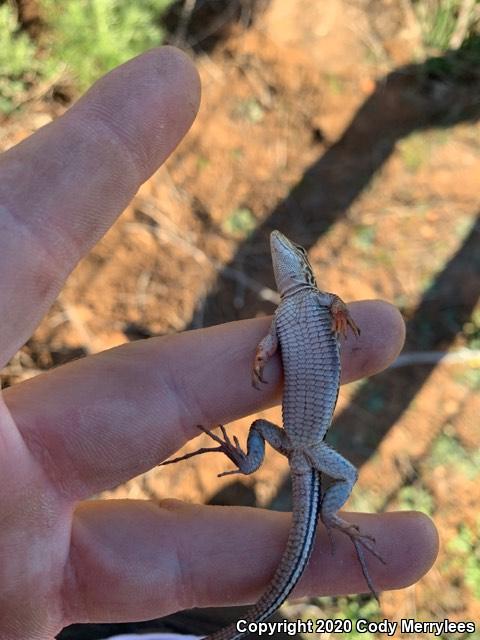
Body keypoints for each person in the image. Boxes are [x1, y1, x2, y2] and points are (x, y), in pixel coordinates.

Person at [0, 47, 438, 640]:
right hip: (294, 437)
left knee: (341, 480)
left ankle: (330, 528)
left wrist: (332, 311)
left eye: (294, 256)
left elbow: (316, 320)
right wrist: (263, 356)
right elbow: (267, 352)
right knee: (263, 444)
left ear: (302, 269)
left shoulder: (311, 300)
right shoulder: (286, 312)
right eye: (283, 256)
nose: (283, 254)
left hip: (304, 442)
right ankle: (258, 570)